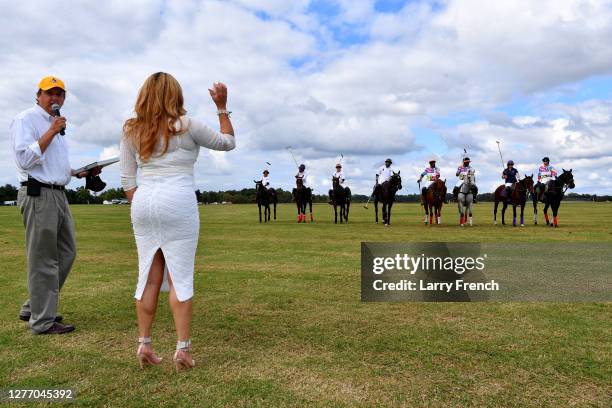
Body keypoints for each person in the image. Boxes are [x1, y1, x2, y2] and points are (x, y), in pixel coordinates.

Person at [120, 72, 235, 372]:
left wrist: (143, 204)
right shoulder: (188, 125)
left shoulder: (132, 129)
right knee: (179, 278)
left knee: (148, 276)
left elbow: (127, 178)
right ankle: (182, 349)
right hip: (179, 200)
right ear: (176, 96)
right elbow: (227, 142)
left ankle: (144, 343)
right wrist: (222, 107)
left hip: (144, 201)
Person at [10, 76, 100, 335]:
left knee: (67, 253)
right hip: (38, 195)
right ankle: (42, 321)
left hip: (58, 194)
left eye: (60, 94)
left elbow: (52, 164)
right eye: (50, 93)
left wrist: (78, 172)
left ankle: (34, 307)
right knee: (43, 260)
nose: (56, 99)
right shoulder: (26, 119)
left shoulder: (55, 125)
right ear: (38, 95)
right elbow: (26, 159)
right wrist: (51, 130)